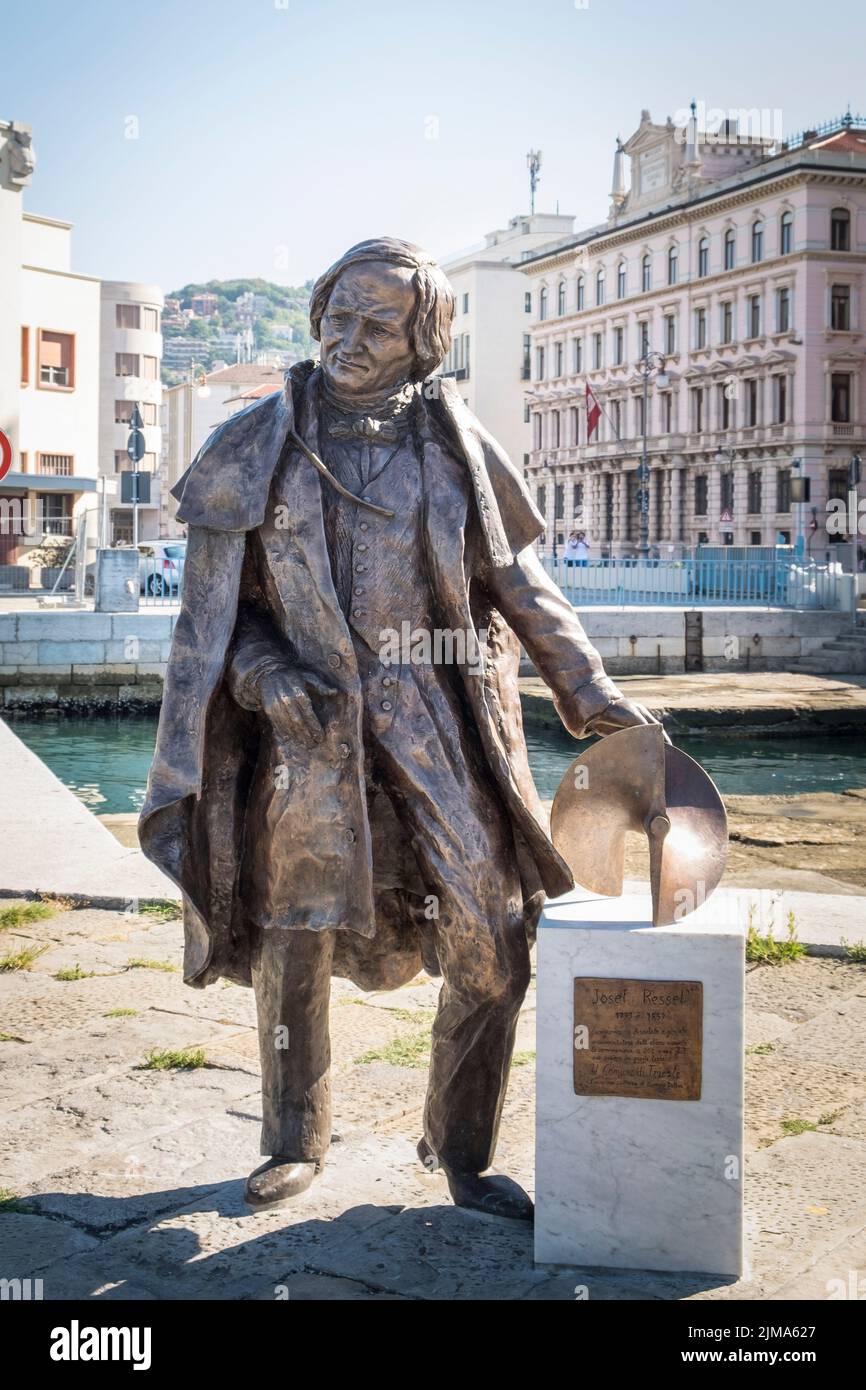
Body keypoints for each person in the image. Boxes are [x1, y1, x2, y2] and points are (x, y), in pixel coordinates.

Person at [140, 238, 658, 1222]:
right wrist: (259, 672)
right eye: (336, 314)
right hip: (307, 730)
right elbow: (215, 619)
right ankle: (292, 1138)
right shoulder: (256, 446)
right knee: (294, 934)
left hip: (436, 713)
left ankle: (459, 1146)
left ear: (421, 337)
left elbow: (519, 585)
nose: (348, 336)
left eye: (376, 322)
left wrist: (586, 691)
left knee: (494, 931)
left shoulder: (454, 445)